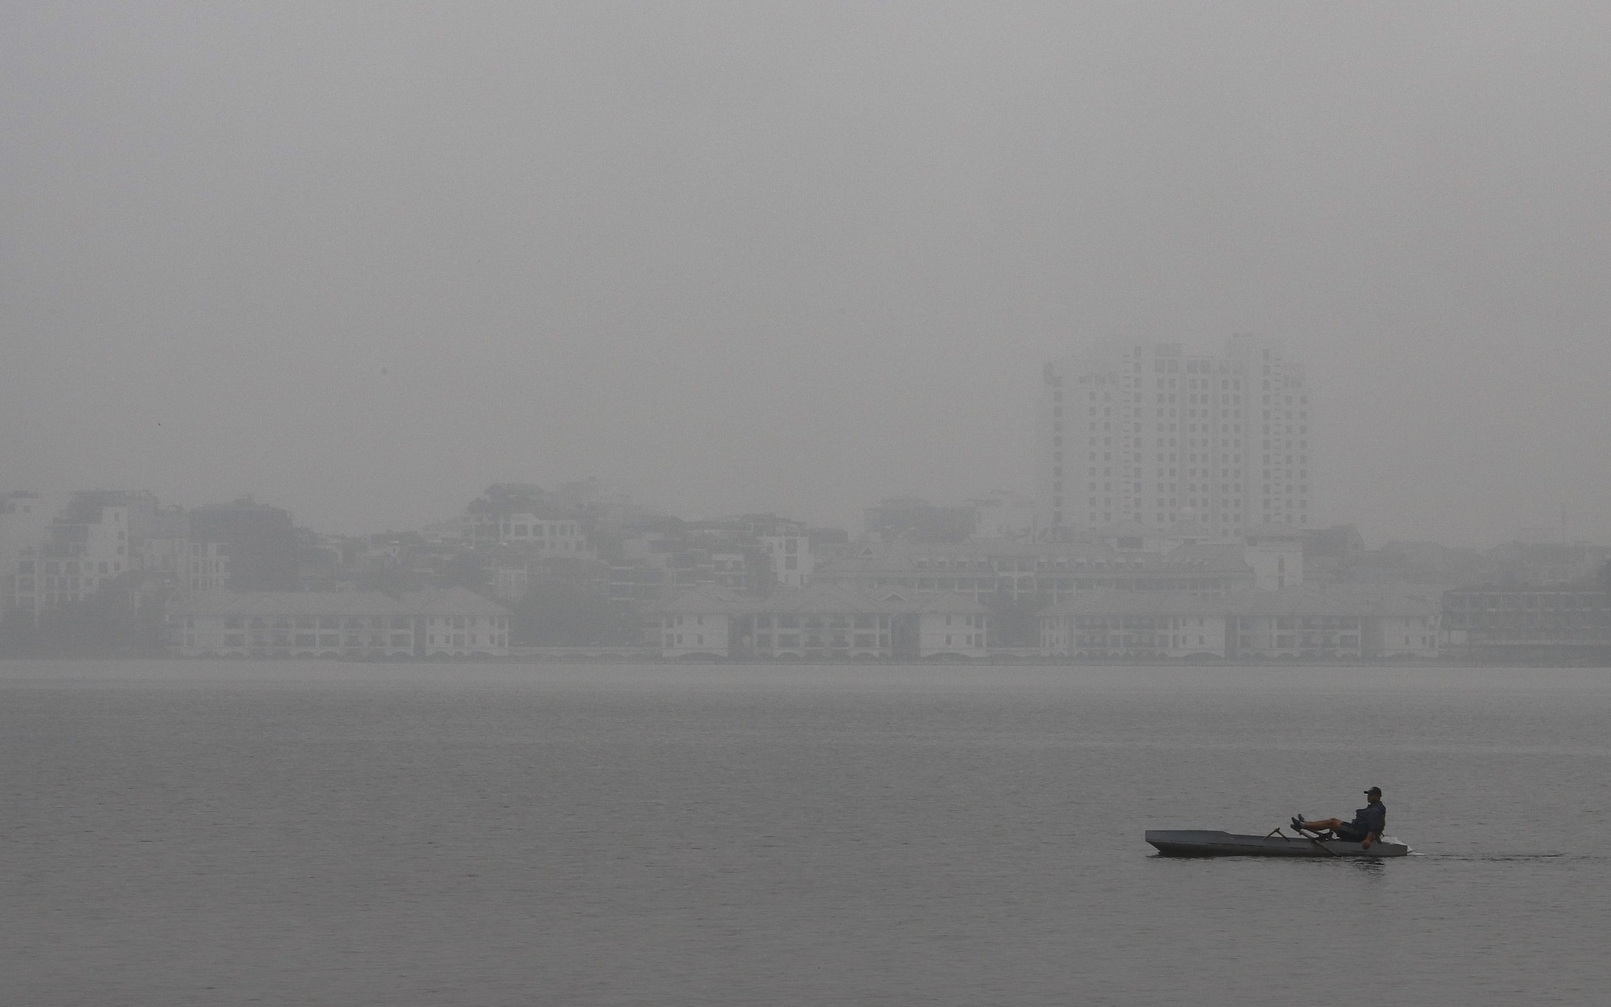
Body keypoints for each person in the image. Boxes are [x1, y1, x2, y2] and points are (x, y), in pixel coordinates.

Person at [1293, 787, 1387, 848]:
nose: (1368, 797)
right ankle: (1306, 823)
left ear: (1377, 796)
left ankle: (1304, 825)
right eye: (1368, 795)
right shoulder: (1375, 807)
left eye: (1370, 795)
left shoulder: (1375, 811)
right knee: (1334, 820)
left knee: (1332, 823)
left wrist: (1367, 840)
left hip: (1359, 834)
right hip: (1356, 829)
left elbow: (1373, 827)